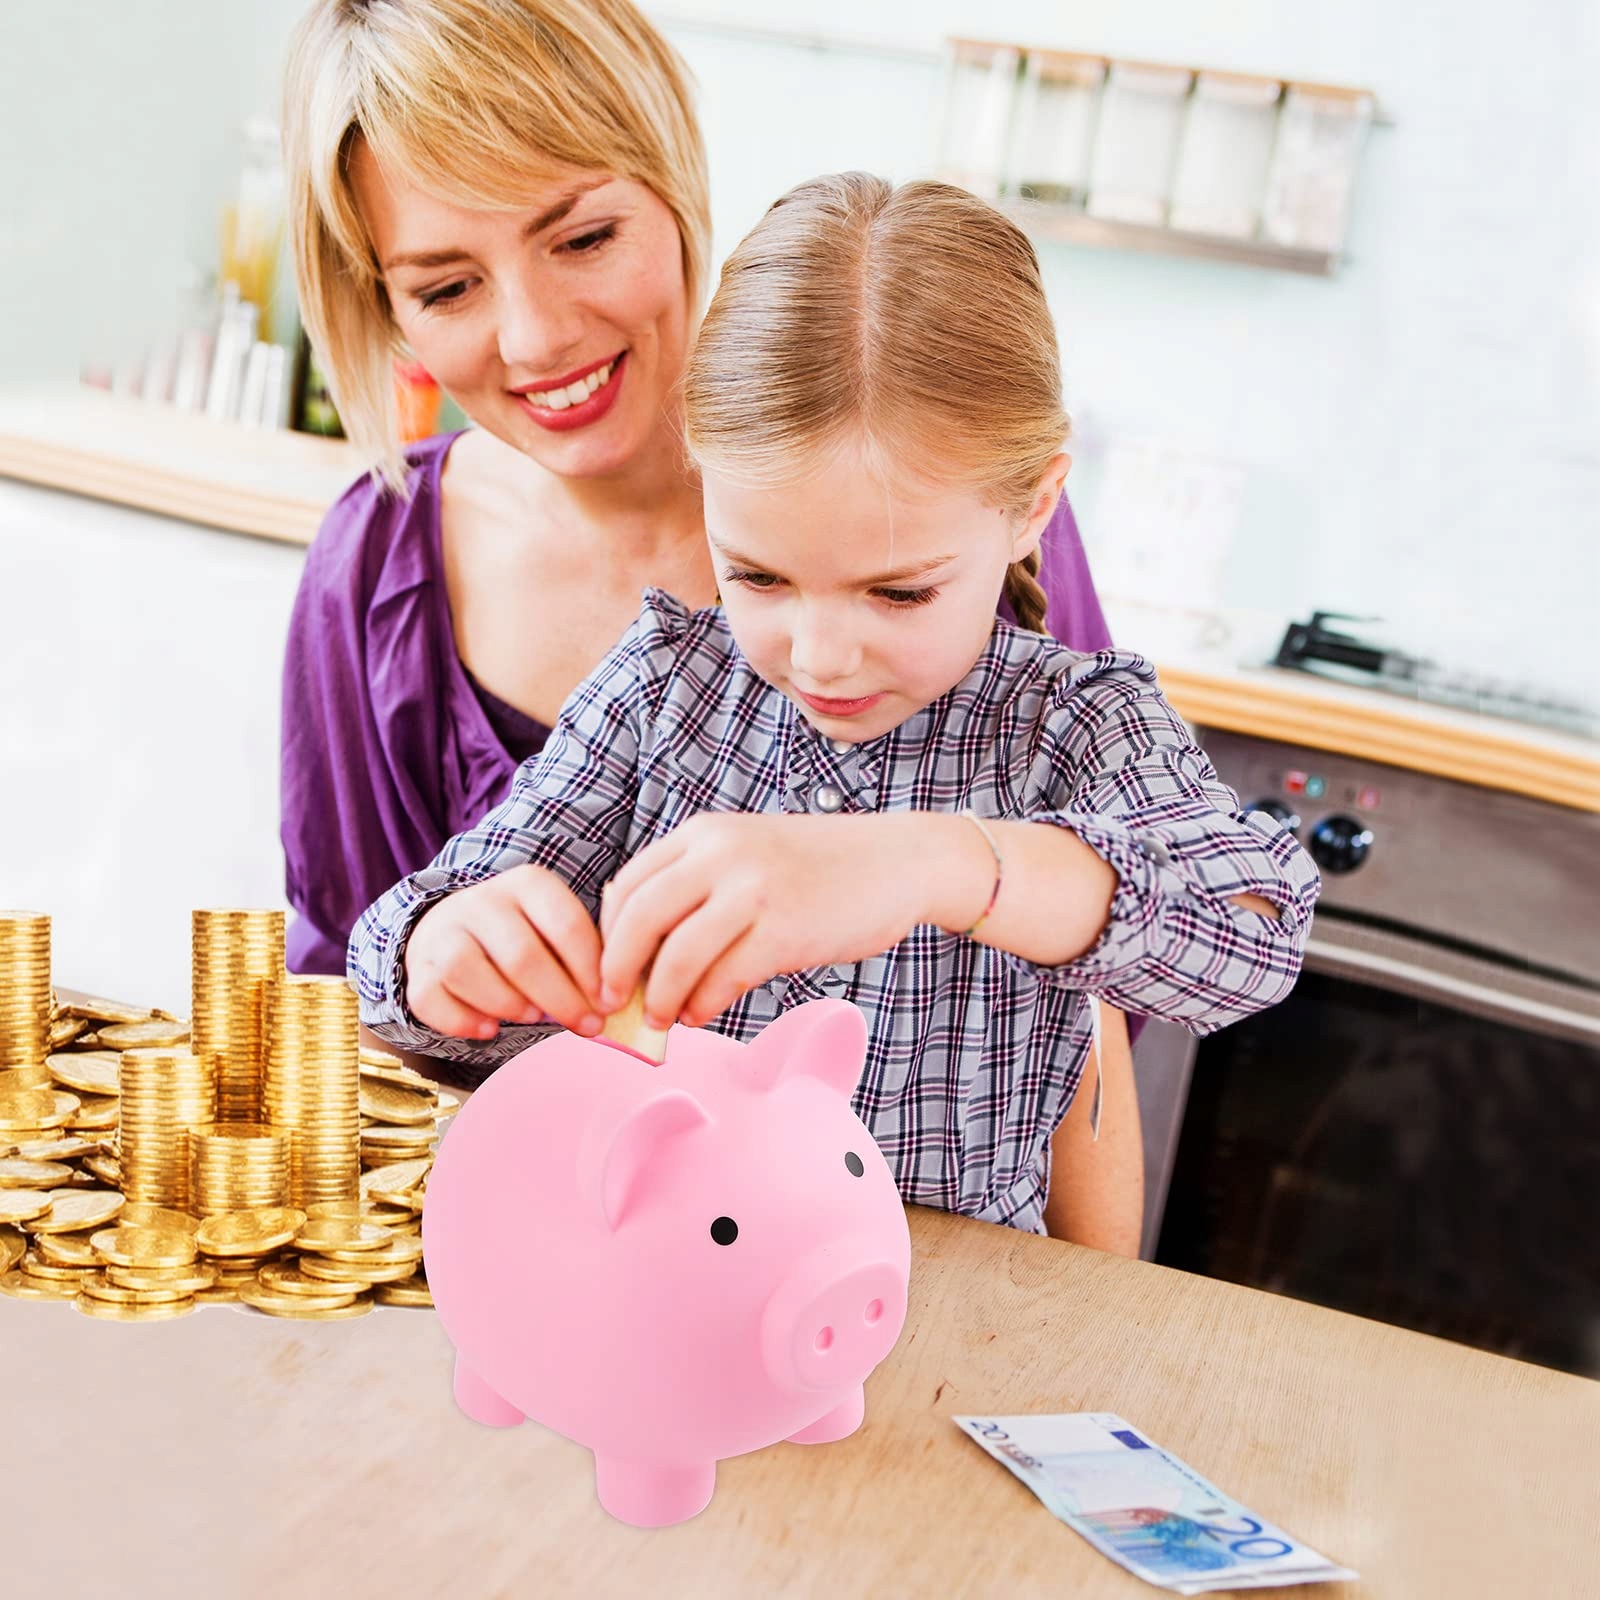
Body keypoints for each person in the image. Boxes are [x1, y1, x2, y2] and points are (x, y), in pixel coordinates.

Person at [279, 0, 1144, 1251]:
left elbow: (1094, 993)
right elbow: (344, 993)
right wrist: (430, 956)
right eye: (447, 285)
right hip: (534, 1273)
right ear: (384, 304)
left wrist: (1091, 1318)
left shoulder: (936, 515)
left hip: (921, 1280)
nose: (535, 336)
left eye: (584, 236)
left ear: (675, 182)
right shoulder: (376, 568)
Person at [349, 173, 1321, 1240]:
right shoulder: (662, 688)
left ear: (1031, 505)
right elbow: (402, 942)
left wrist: (937, 864)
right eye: (757, 577)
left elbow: (1257, 934)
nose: (818, 656)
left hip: (957, 1307)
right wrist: (440, 951)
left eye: (898, 593)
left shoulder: (1075, 724)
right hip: (665, 1284)